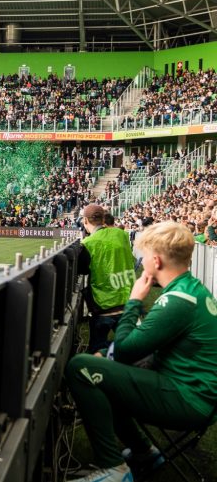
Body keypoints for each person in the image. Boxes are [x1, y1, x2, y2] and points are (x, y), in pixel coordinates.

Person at [65, 221, 217, 482]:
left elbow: (125, 350)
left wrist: (133, 301)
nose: (141, 260)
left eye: (143, 255)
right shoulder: (190, 289)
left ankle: (114, 469)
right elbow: (138, 347)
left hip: (190, 399)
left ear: (156, 260)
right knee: (105, 369)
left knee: (80, 367)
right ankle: (143, 451)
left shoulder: (178, 300)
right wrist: (110, 356)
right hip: (195, 393)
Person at [78, 203, 136, 355]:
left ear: (85, 221)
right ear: (103, 219)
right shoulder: (122, 235)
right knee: (131, 351)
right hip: (127, 300)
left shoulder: (87, 243)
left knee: (97, 352)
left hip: (103, 304)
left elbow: (82, 270)